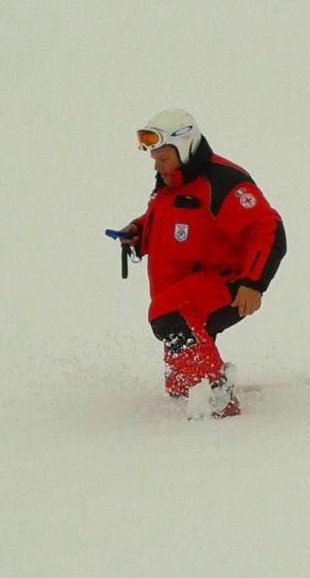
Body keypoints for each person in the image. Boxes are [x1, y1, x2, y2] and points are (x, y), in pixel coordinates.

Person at [116, 108, 287, 418]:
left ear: (185, 149)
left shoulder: (223, 182)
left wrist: (253, 283)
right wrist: (139, 232)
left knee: (168, 314)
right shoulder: (171, 181)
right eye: (154, 158)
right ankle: (198, 388)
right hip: (188, 287)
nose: (157, 165)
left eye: (163, 157)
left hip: (230, 284)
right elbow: (172, 221)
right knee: (180, 385)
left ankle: (216, 396)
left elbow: (268, 229)